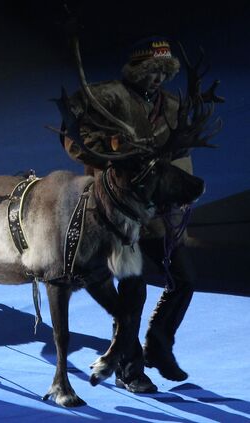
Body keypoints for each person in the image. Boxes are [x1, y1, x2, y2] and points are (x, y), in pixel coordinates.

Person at [63, 37, 222, 393]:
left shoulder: (171, 103)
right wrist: (113, 158)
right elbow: (76, 140)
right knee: (132, 292)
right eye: (151, 73)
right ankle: (129, 369)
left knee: (184, 279)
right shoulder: (105, 98)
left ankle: (159, 343)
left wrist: (178, 194)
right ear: (135, 70)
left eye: (163, 74)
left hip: (160, 211)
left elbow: (177, 155)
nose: (157, 81)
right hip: (121, 211)